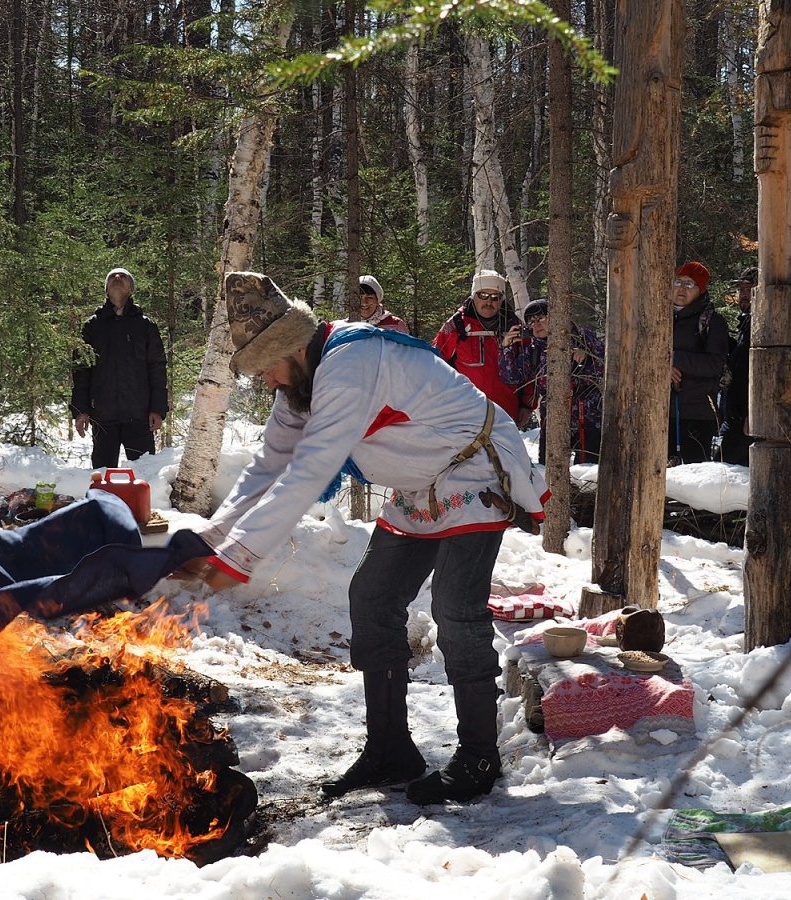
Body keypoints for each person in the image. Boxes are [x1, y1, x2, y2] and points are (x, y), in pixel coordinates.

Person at [185, 271, 547, 805]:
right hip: (420, 483)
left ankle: (478, 758)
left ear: (291, 348)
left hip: (473, 469)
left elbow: (309, 470)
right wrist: (211, 539)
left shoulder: (349, 363)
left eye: (267, 366)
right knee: (372, 597)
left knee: (455, 610)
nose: (266, 382)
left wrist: (237, 559)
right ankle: (390, 750)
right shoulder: (299, 387)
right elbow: (268, 467)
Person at [71, 268, 168, 469]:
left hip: (139, 415)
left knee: (145, 473)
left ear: (131, 289)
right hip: (103, 415)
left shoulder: (145, 326)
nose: (117, 278)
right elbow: (81, 370)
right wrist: (81, 410)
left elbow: (157, 368)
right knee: (102, 476)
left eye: (123, 277)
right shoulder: (93, 326)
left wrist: (157, 409)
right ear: (106, 289)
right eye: (112, 277)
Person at [499, 299, 605, 463]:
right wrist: (506, 348)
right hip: (552, 416)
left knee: (588, 471)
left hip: (588, 416)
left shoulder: (582, 336)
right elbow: (511, 376)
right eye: (531, 322)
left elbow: (607, 365)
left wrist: (587, 358)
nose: (536, 325)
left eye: (541, 318)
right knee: (549, 469)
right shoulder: (533, 349)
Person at [433, 270, 523, 423]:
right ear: (473, 296)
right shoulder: (456, 325)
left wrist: (527, 406)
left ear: (501, 300)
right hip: (465, 412)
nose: (489, 302)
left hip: (506, 414)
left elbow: (530, 369)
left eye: (495, 297)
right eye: (483, 295)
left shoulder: (514, 326)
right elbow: (435, 364)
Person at [669, 262, 730, 465]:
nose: (681, 289)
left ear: (701, 290)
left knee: (691, 477)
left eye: (689, 284)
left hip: (696, 413)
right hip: (657, 410)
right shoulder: (658, 317)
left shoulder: (712, 321)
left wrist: (673, 358)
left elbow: (714, 364)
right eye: (678, 282)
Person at [718, 266, 756, 465]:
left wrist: (753, 414)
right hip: (734, 416)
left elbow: (762, 375)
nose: (744, 295)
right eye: (741, 290)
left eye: (750, 289)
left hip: (749, 421)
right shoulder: (747, 323)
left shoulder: (765, 327)